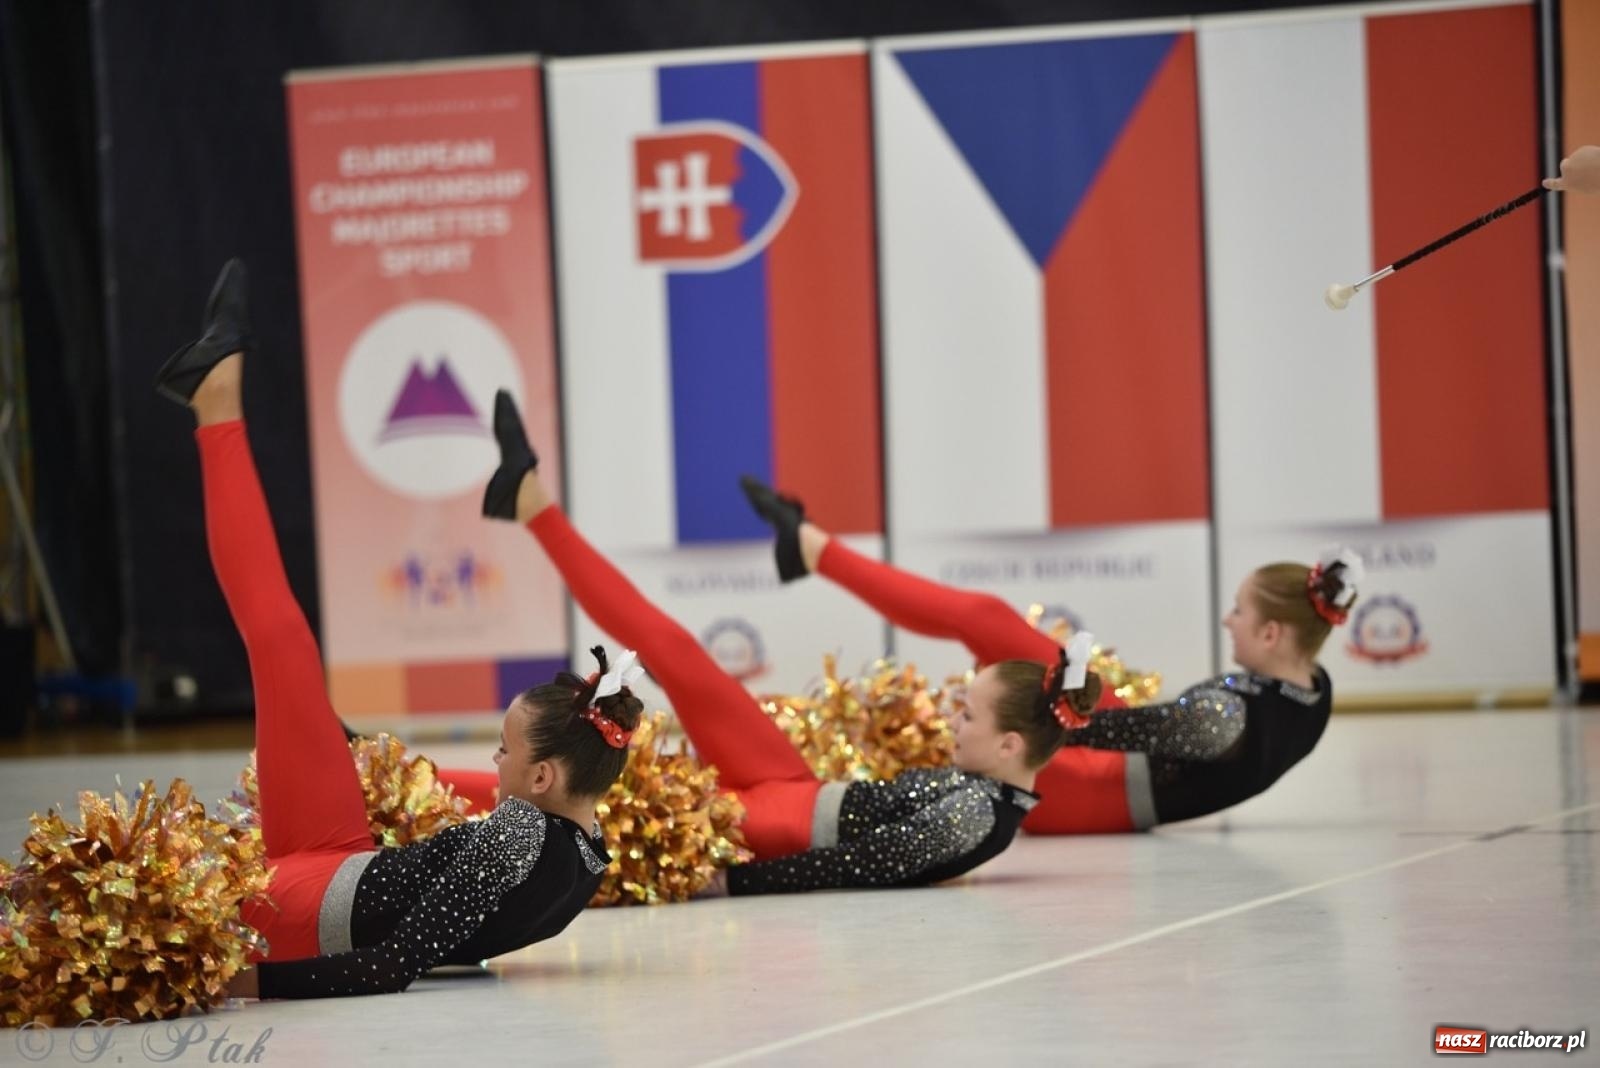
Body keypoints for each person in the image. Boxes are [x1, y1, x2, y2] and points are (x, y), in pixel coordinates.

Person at [156, 261, 625, 998]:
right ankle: (215, 397)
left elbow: (390, 966)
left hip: (302, 906)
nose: (493, 766)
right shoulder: (588, 856)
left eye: (503, 751)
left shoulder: (523, 834)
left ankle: (218, 404)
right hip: (341, 855)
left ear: (542, 777)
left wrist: (242, 987)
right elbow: (455, 945)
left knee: (278, 637)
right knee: (283, 646)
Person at [478, 392, 1099, 895]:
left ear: (1010, 744)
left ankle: (394, 783)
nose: (951, 719)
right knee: (679, 653)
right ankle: (532, 503)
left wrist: (738, 882)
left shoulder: (981, 817)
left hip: (774, 826)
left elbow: (863, 865)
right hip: (793, 785)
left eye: (968, 715)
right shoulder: (985, 799)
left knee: (583, 790)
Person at [739, 476, 1360, 834]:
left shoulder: (1223, 719)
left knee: (953, 719)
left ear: (1275, 633)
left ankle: (734, 710)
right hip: (1115, 750)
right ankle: (810, 547)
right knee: (983, 620)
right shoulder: (1313, 683)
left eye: (1240, 612)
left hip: (1098, 791)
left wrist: (1037, 707)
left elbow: (1101, 730)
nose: (1229, 621)